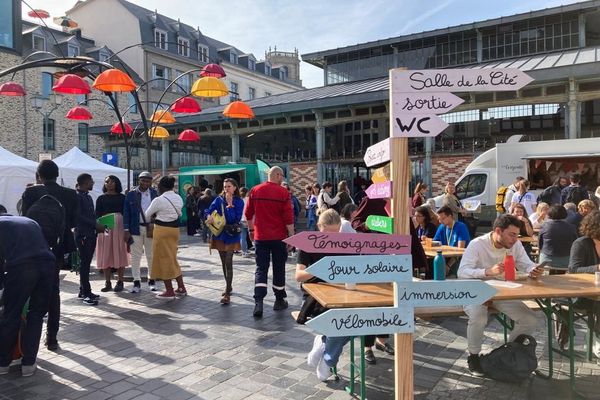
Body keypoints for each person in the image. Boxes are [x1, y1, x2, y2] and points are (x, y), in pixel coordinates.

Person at [458, 214, 544, 376]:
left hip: (502, 291)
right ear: (498, 231)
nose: (515, 239)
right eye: (511, 234)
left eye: (517, 235)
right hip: (475, 289)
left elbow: (525, 264)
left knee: (530, 319)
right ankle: (474, 356)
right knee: (479, 316)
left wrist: (533, 269)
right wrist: (487, 271)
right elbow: (462, 272)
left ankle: (507, 352)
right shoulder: (477, 244)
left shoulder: (515, 244)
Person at [21, 160, 78, 351]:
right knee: (53, 292)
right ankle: (52, 337)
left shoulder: (31, 192)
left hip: (32, 246)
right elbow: (73, 221)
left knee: (28, 290)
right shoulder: (70, 194)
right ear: (57, 174)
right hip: (56, 249)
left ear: (38, 175)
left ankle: (26, 338)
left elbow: (25, 219)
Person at [297, 209, 351, 381]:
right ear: (320, 227)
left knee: (360, 320)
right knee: (344, 322)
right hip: (315, 296)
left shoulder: (344, 243)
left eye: (337, 233)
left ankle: (324, 344)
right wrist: (321, 268)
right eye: (329, 233)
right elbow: (299, 275)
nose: (333, 238)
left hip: (341, 293)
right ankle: (328, 360)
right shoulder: (308, 243)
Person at [0, 209, 55, 377]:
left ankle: (2, 364)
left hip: (22, 268)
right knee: (36, 314)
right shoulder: (28, 221)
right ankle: (29, 364)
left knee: (11, 314)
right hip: (48, 266)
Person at [245, 166, 294, 318]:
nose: (283, 179)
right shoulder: (283, 193)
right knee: (279, 268)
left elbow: (248, 213)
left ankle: (258, 301)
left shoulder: (255, 190)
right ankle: (279, 300)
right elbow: (288, 217)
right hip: (279, 237)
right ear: (278, 175)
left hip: (261, 237)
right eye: (282, 176)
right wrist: (291, 236)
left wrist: (251, 231)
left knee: (261, 268)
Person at [145, 176, 186, 298]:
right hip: (174, 230)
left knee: (163, 259)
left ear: (161, 187)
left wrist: (155, 216)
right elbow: (180, 213)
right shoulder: (178, 198)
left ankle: (169, 290)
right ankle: (181, 287)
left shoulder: (159, 200)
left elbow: (146, 215)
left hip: (162, 231)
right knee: (172, 258)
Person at [205, 178, 244, 304]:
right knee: (223, 262)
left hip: (231, 234)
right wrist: (208, 216)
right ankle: (229, 285)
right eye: (225, 186)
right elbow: (208, 210)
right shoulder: (218, 199)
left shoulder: (238, 201)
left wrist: (230, 205)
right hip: (220, 234)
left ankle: (227, 293)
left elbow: (235, 218)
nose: (226, 188)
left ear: (234, 188)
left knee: (228, 262)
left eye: (229, 186)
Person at [123, 171, 158, 293]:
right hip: (135, 228)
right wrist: (126, 229)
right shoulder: (131, 194)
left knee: (151, 256)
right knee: (135, 257)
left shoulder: (154, 193)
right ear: (139, 180)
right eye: (143, 180)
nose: (145, 182)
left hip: (150, 228)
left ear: (151, 182)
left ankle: (151, 280)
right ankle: (136, 282)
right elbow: (126, 212)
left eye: (147, 180)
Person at [95, 175, 129, 293]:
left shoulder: (122, 197)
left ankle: (120, 281)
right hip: (106, 224)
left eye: (112, 181)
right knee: (106, 251)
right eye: (107, 181)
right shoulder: (101, 198)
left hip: (119, 226)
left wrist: (127, 230)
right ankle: (107, 281)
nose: (109, 183)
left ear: (117, 183)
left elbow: (127, 213)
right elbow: (97, 214)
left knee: (119, 250)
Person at [74, 174, 103, 305]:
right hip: (83, 235)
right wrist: (94, 225)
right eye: (91, 181)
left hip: (90, 234)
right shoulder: (77, 197)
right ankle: (86, 293)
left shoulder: (87, 196)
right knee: (84, 264)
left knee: (86, 263)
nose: (93, 183)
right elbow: (78, 216)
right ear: (86, 183)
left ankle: (83, 290)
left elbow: (91, 215)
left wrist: (97, 225)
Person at [538, 205, 578, 269]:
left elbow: (540, 244)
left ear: (549, 214)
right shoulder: (572, 227)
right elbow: (575, 244)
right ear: (565, 214)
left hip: (546, 260)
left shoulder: (544, 226)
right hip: (566, 260)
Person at [239, 187, 251, 257]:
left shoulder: (239, 200)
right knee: (252, 235)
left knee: (242, 236)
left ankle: (244, 251)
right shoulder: (249, 199)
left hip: (241, 219)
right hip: (249, 219)